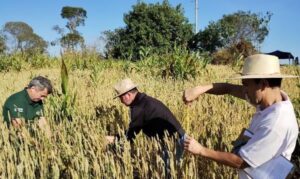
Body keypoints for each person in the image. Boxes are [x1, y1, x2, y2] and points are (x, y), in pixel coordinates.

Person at [182, 54, 299, 178]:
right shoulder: (271, 100)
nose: (244, 90)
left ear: (263, 84)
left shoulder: (277, 123)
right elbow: (228, 88)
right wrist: (200, 89)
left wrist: (201, 150)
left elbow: (240, 161)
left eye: (246, 84)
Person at [106, 78, 186, 176]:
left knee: (169, 174)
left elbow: (130, 136)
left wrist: (114, 139)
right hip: (177, 138)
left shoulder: (139, 108)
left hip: (174, 142)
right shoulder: (145, 101)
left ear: (128, 95)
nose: (121, 101)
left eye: (120, 98)